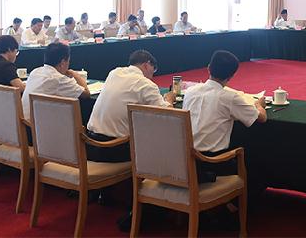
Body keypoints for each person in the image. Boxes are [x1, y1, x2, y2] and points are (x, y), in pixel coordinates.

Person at [182, 50, 267, 182]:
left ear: (208, 68)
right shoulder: (229, 97)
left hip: (185, 160)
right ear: (231, 76)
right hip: (212, 163)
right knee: (255, 161)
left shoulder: (190, 92)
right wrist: (259, 105)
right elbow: (261, 118)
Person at [86, 50, 176, 162]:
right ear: (147, 65)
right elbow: (170, 115)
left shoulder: (114, 72)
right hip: (114, 148)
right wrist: (169, 99)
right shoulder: (145, 84)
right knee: (161, 138)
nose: (152, 76)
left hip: (90, 145)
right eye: (153, 71)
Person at [21, 42, 90, 120]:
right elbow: (86, 94)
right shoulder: (59, 79)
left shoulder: (35, 72)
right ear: (62, 63)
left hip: (25, 122)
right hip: (43, 125)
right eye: (68, 61)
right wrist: (75, 74)